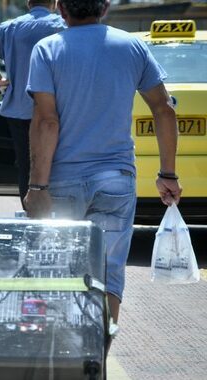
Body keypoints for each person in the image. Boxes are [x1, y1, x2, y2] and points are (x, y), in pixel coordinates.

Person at [24, 0, 182, 326]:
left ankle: (67, 356)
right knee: (108, 274)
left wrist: (37, 186)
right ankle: (98, 360)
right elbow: (164, 107)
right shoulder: (131, 46)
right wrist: (167, 173)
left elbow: (46, 122)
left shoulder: (47, 49)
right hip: (116, 180)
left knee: (60, 270)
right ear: (105, 7)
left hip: (62, 182)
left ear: (61, 9)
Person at [0, 0, 66, 207]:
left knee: (26, 164)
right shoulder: (62, 25)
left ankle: (30, 212)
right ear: (54, 3)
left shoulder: (10, 27)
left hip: (18, 110)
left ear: (28, 3)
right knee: (58, 163)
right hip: (56, 109)